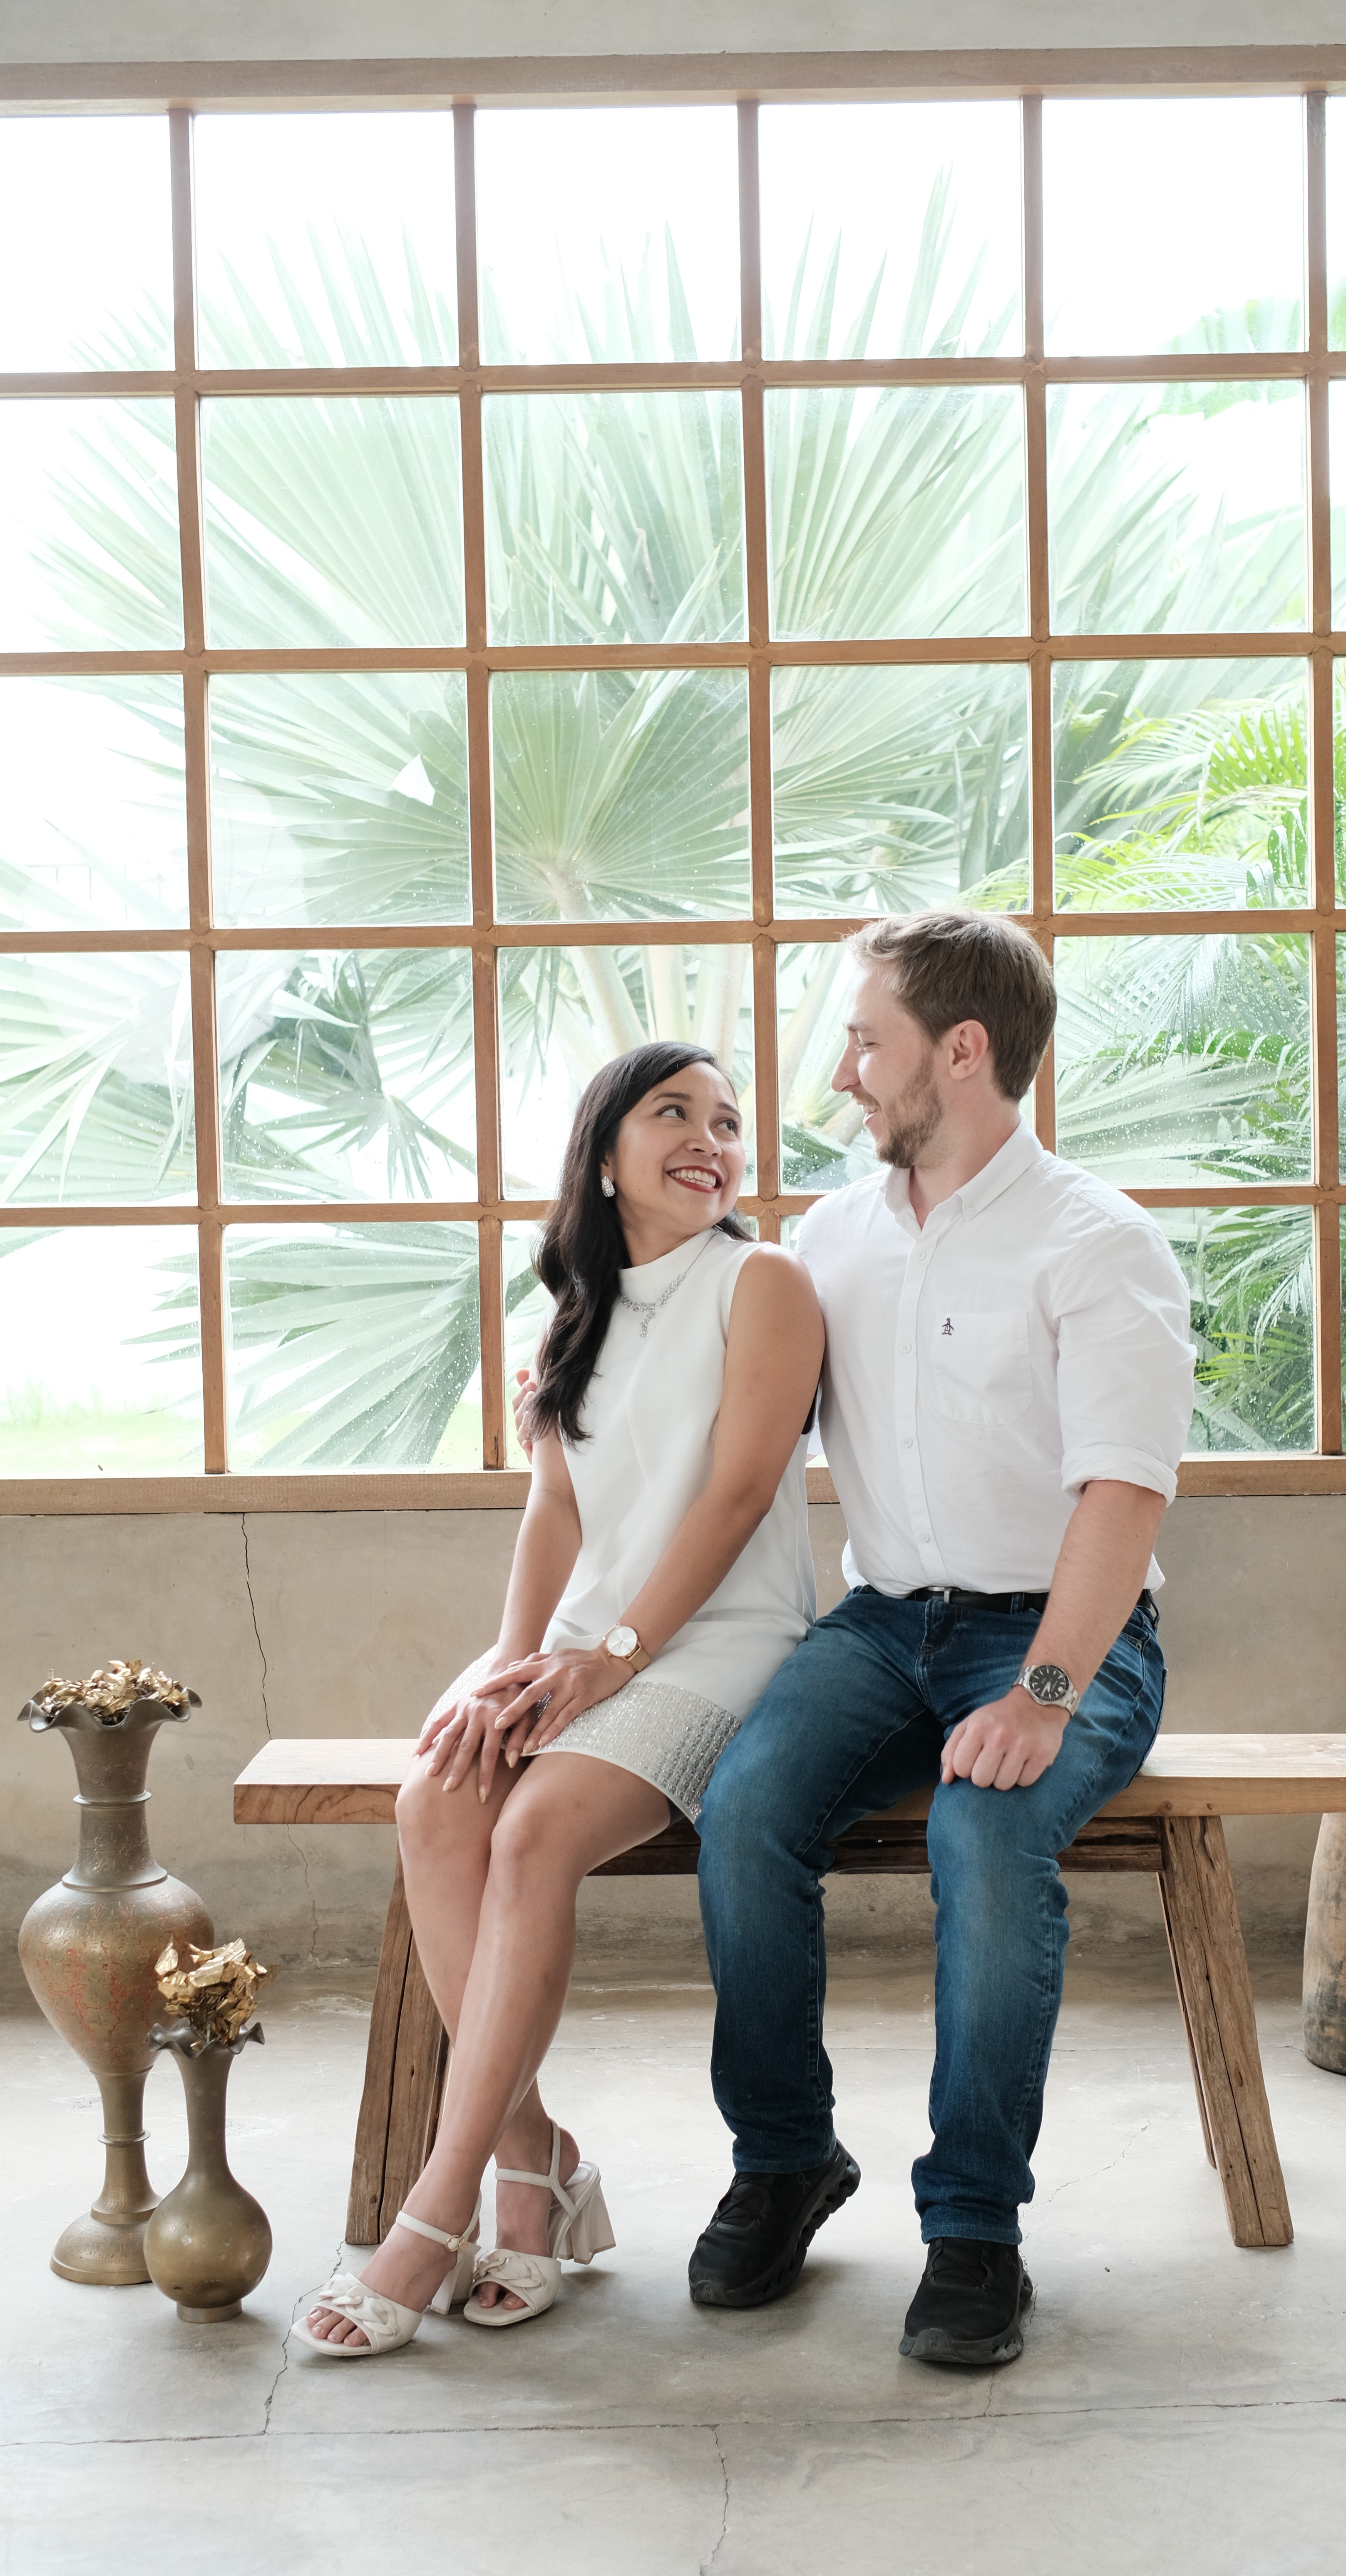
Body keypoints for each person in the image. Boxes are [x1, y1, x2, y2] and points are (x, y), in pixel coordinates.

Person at [690, 909, 1195, 2367]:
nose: (844, 1073)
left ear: (961, 1054)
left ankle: (976, 2230)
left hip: (1061, 1631)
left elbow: (1125, 1490)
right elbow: (719, 1421)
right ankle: (785, 2161)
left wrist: (1044, 1692)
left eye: (869, 1042)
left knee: (984, 1836)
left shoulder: (1097, 1245)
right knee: (746, 1811)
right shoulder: (831, 1242)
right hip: (881, 1622)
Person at [295, 1040, 823, 2359]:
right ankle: (534, 2161)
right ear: (604, 1153)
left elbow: (740, 1493)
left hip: (724, 1642)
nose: (712, 1138)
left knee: (531, 1837)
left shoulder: (763, 1283)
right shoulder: (577, 1314)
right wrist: (503, 1663)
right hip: (592, 1640)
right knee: (440, 1799)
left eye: (729, 1121)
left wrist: (619, 1651)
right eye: (675, 1113)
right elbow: (554, 1511)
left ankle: (435, 2210)